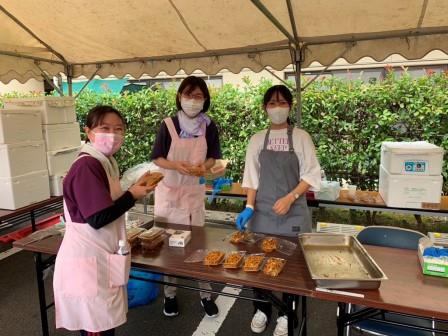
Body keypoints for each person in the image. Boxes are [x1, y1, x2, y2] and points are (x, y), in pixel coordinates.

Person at [53, 106, 154, 336]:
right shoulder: (87, 165)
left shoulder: (105, 161)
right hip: (87, 263)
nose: (113, 134)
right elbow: (98, 217)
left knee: (105, 326)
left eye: (118, 129)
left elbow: (108, 201)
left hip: (101, 256)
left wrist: (134, 189)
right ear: (88, 132)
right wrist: (133, 195)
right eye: (105, 128)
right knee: (97, 329)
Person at [236, 85, 321, 336]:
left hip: (293, 213)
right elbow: (251, 177)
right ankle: (261, 308)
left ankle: (286, 313)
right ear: (265, 108)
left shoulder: (301, 137)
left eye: (282, 102)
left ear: (290, 107)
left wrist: (291, 196)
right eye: (271, 103)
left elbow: (311, 174)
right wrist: (249, 206)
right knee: (257, 262)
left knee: (291, 267)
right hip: (261, 214)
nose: (276, 108)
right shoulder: (256, 139)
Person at [151, 76, 222, 318]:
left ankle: (205, 294)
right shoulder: (167, 125)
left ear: (205, 100)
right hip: (170, 195)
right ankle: (170, 295)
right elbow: (157, 158)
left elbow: (214, 156)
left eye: (198, 96)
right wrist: (174, 165)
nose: (193, 100)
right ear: (180, 96)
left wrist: (205, 167)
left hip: (193, 195)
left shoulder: (208, 126)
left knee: (199, 246)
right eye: (188, 95)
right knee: (170, 249)